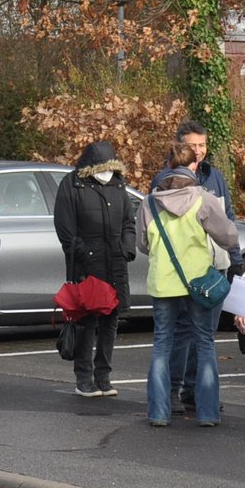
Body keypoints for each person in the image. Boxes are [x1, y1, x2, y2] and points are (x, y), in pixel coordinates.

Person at [138, 145, 240, 425]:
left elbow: (142, 244)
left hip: (162, 283)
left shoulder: (149, 203)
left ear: (168, 166)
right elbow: (228, 237)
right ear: (193, 166)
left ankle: (158, 413)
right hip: (198, 282)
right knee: (205, 344)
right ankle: (207, 413)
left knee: (162, 344)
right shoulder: (203, 199)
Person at [54, 140, 139, 396]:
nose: (107, 173)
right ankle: (84, 377)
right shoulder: (72, 185)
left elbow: (128, 222)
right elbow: (66, 229)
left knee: (111, 319)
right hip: (87, 265)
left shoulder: (117, 185)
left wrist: (126, 248)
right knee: (86, 321)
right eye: (102, 168)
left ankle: (104, 375)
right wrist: (83, 253)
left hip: (115, 263)